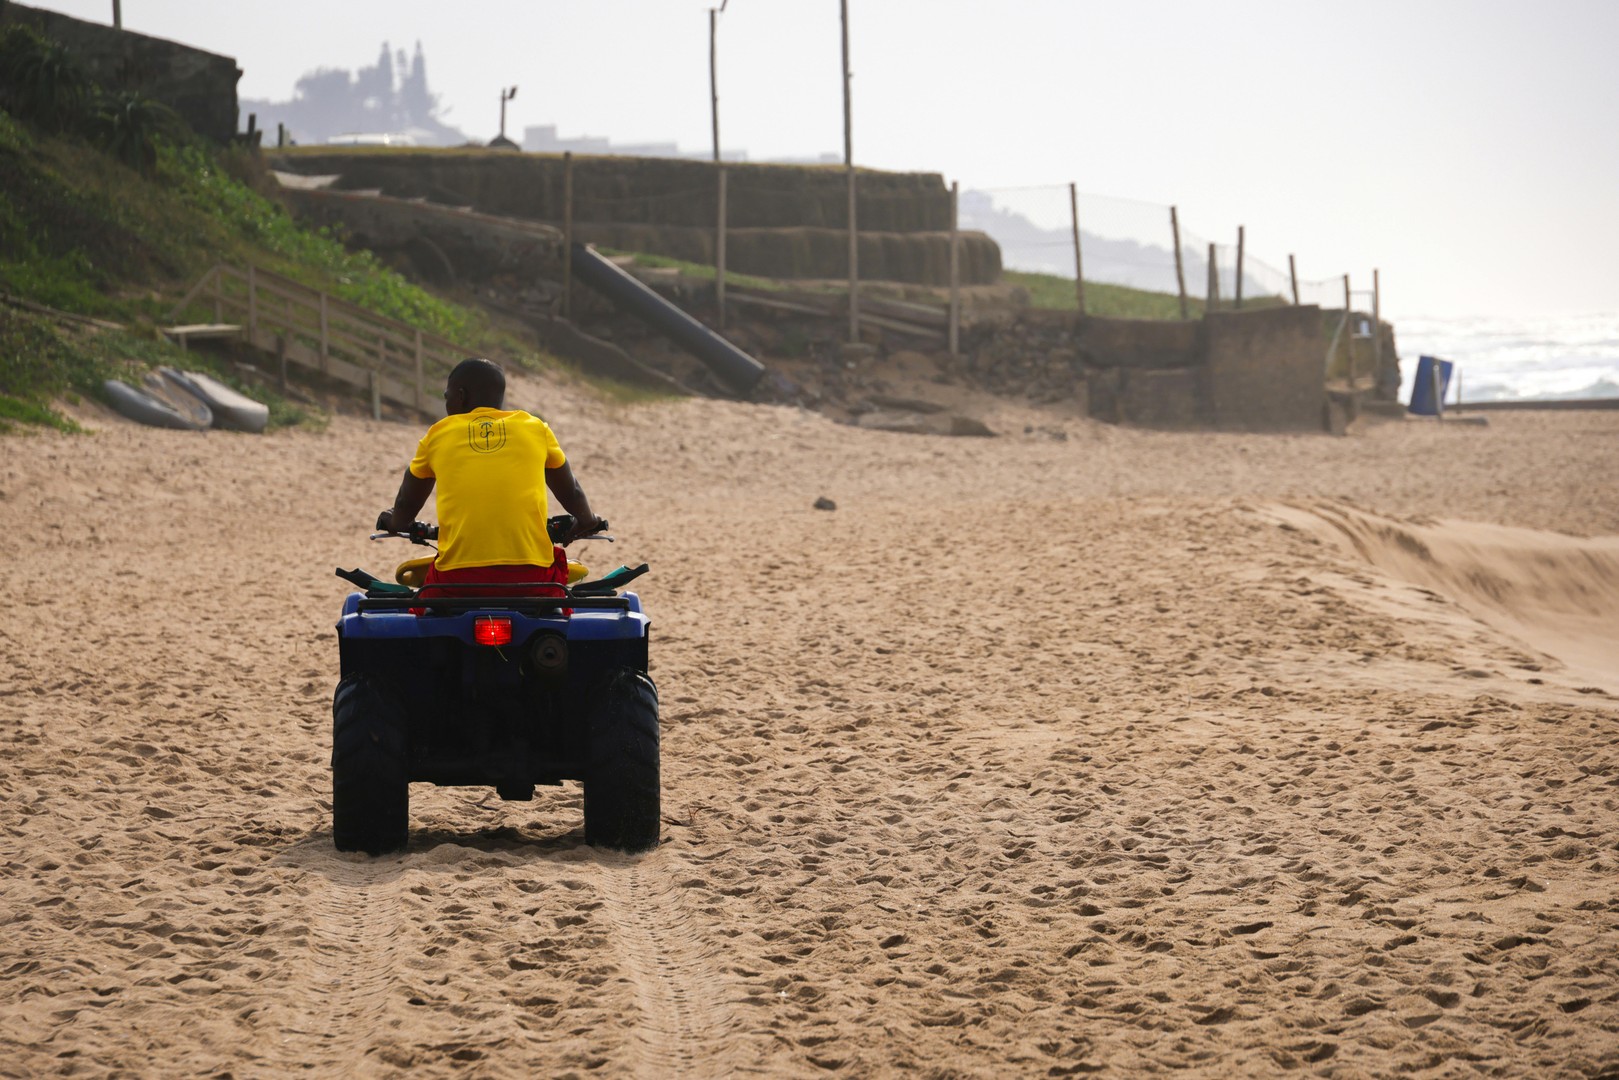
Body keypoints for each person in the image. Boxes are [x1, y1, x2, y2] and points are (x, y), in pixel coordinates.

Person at [376, 358, 603, 602]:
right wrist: (587, 520)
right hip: (531, 578)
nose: (447, 404)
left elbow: (406, 503)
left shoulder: (438, 434)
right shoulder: (535, 428)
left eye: (447, 397)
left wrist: (396, 521)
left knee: (425, 607)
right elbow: (572, 493)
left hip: (458, 580)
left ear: (461, 396)